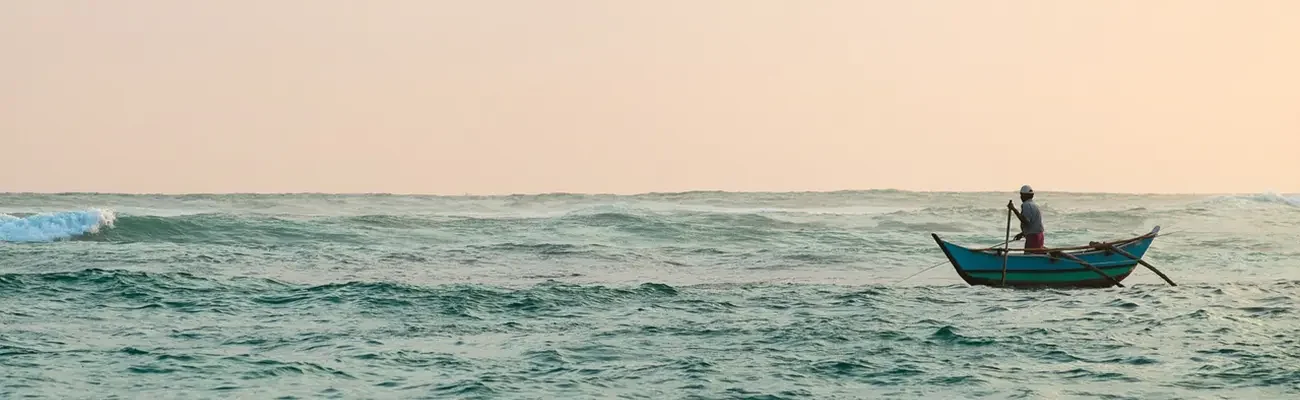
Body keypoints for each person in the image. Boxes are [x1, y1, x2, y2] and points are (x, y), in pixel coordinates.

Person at [1007, 185, 1045, 250]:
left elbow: (1025, 221)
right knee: (1036, 253)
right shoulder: (1033, 204)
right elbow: (1032, 224)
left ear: (1025, 195)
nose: (1020, 197)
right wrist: (1022, 234)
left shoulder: (1026, 205)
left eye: (1022, 195)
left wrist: (1013, 209)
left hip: (1033, 237)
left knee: (1030, 254)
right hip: (1039, 235)